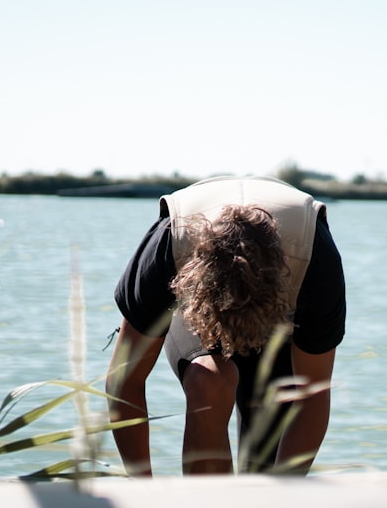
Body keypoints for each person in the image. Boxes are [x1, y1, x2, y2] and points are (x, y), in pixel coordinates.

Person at [106, 175, 346, 476]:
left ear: (283, 264)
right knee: (210, 381)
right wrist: (144, 488)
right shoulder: (167, 248)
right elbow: (123, 382)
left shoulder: (316, 261)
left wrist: (283, 494)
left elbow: (312, 395)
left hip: (281, 317)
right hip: (197, 303)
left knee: (269, 463)